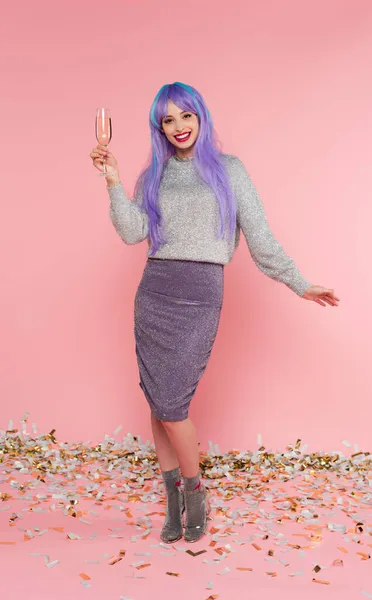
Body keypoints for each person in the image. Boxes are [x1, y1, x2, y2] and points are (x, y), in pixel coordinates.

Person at [89, 81, 340, 544]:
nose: (178, 126)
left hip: (200, 294)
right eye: (168, 119)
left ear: (200, 117)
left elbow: (260, 238)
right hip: (155, 292)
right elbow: (131, 232)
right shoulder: (156, 176)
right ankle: (173, 500)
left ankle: (195, 492)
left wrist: (299, 283)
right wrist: (112, 179)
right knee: (158, 402)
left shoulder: (229, 170)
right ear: (158, 128)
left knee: (172, 403)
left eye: (185, 115)